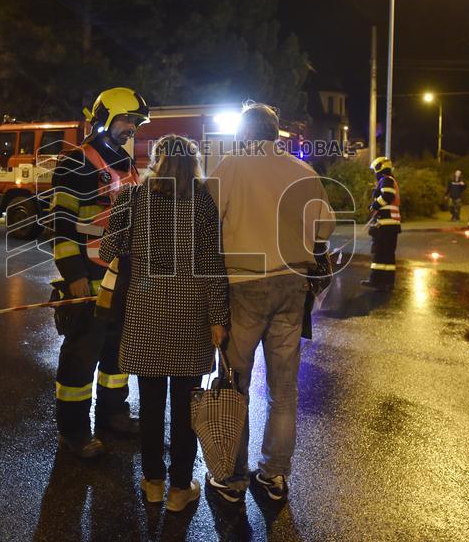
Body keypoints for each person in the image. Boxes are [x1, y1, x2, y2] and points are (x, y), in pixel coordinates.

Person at [205, 103, 335, 505]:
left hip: (244, 285)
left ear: (245, 133)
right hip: (292, 285)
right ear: (275, 133)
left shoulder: (231, 167)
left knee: (235, 383)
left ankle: (231, 475)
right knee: (283, 388)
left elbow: (206, 222)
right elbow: (324, 227)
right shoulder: (304, 171)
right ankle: (275, 473)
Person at [100, 134, 229, 512]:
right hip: (191, 315)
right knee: (187, 408)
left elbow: (108, 250)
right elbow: (213, 266)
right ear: (193, 163)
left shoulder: (132, 197)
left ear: (156, 161)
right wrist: (219, 319)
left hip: (144, 312)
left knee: (151, 404)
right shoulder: (203, 201)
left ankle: (153, 482)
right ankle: (179, 489)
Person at [47, 87, 149, 459]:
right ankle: (73, 431)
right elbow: (61, 225)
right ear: (104, 118)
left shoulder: (127, 164)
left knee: (118, 356)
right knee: (80, 358)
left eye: (136, 123)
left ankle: (113, 415)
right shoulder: (76, 162)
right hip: (88, 280)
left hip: (123, 280)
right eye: (127, 120)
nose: (131, 129)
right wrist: (74, 276)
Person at [361, 156, 401, 292]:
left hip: (385, 225)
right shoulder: (389, 180)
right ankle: (386, 282)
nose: (374, 173)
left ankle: (377, 280)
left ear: (379, 168)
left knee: (379, 252)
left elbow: (387, 196)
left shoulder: (386, 180)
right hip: (390, 225)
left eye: (375, 170)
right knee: (387, 255)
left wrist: (374, 205)